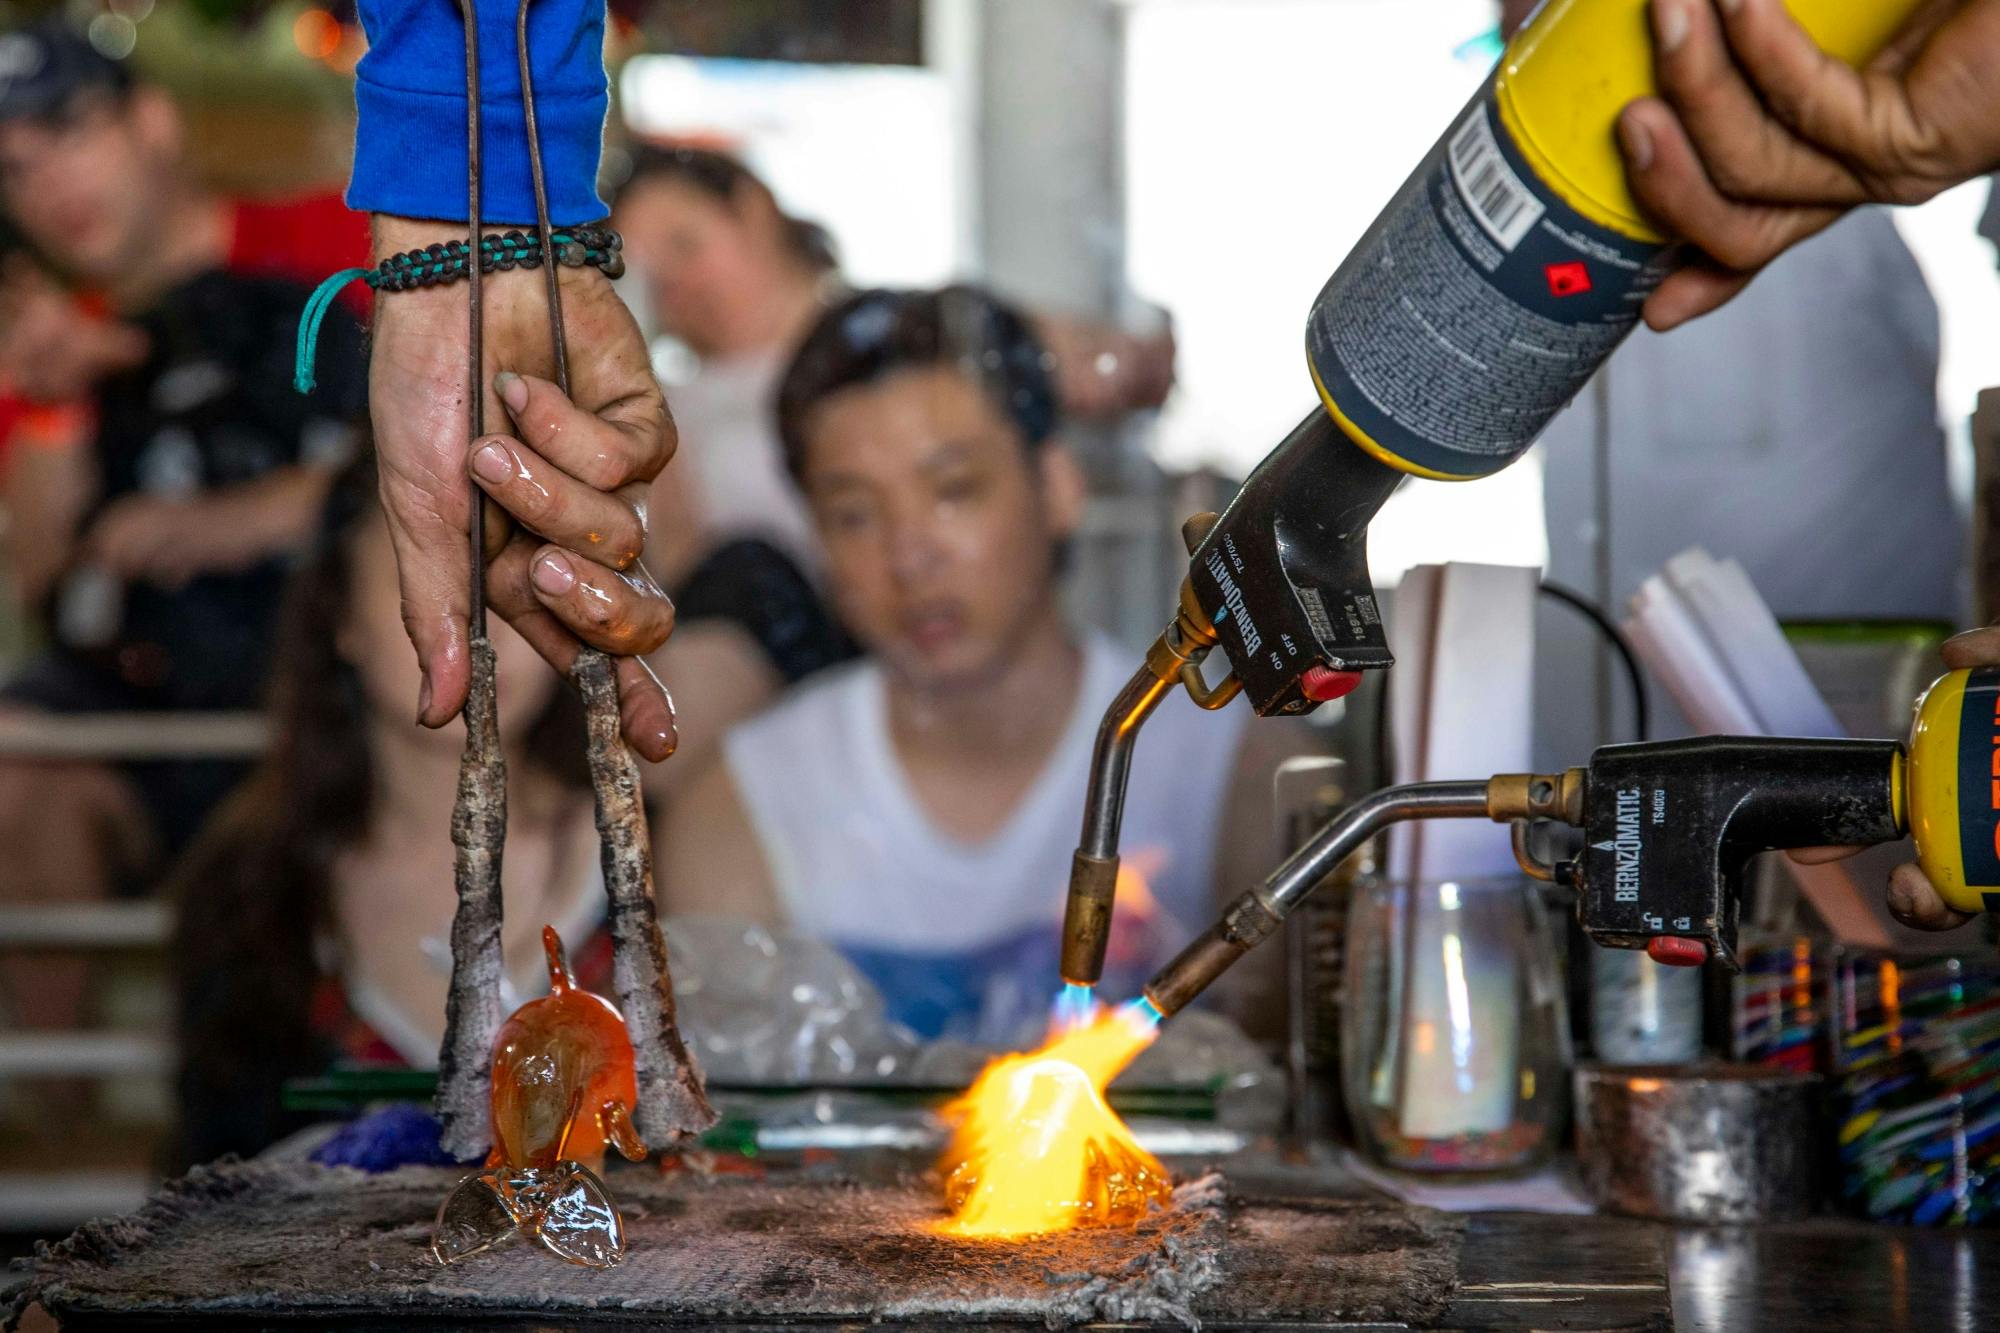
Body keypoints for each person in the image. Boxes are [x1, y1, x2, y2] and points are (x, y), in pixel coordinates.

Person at [659, 287, 1299, 1042]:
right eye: (855, 514)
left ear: (1058, 486)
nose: (910, 555)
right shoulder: (739, 813)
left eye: (954, 490)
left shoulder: (1239, 775)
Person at [0, 26, 369, 1047]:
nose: (49, 186)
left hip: (332, 698)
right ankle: (53, 1139)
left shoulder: (337, 249)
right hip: (141, 709)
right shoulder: (49, 341)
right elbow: (42, 579)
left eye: (69, 135)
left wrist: (236, 519)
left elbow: (450, 454)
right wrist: (53, 405)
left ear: (151, 121)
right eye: (15, 170)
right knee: (17, 771)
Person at [172, 457, 614, 1166]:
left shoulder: (652, 866)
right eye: (425, 573)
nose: (475, 626)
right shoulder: (249, 893)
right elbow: (208, 1191)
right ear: (339, 615)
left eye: (507, 582)